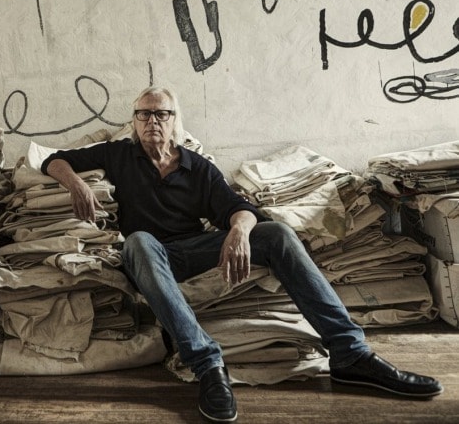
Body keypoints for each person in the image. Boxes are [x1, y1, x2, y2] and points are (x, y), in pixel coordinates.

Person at [41, 85, 443, 423]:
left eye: (160, 114)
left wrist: (237, 229)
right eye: (143, 115)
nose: (151, 122)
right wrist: (77, 183)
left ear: (174, 120)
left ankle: (351, 354)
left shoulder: (196, 167)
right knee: (140, 240)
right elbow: (50, 159)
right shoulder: (117, 154)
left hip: (192, 249)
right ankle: (208, 365)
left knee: (277, 233)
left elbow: (239, 206)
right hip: (147, 255)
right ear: (133, 121)